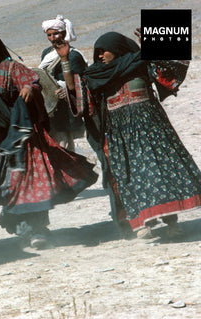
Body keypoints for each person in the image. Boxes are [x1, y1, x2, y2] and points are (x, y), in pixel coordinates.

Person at [0, 26, 98, 248]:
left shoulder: (11, 67)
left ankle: (36, 230)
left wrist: (30, 89)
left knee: (29, 182)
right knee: (8, 185)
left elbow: (34, 82)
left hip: (23, 135)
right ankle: (22, 227)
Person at [57, 30, 201, 239]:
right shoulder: (96, 74)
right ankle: (144, 222)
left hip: (150, 126)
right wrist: (64, 60)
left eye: (103, 51)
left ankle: (171, 222)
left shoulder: (141, 61)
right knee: (131, 176)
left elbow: (172, 66)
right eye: (97, 52)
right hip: (120, 132)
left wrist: (152, 45)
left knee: (160, 169)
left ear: (116, 49)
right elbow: (74, 89)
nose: (99, 56)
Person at [39, 15, 86, 152]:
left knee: (64, 144)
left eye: (56, 33)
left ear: (64, 33)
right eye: (49, 35)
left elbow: (81, 81)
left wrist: (66, 89)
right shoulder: (46, 53)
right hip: (51, 106)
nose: (53, 38)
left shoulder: (74, 56)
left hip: (66, 107)